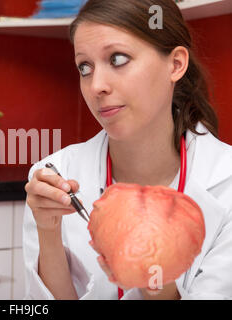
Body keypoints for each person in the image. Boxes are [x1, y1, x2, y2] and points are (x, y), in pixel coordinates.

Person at [23, 0, 232, 300]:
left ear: (175, 65)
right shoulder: (54, 176)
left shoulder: (226, 181)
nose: (96, 86)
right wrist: (48, 230)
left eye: (118, 59)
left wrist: (155, 281)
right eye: (85, 67)